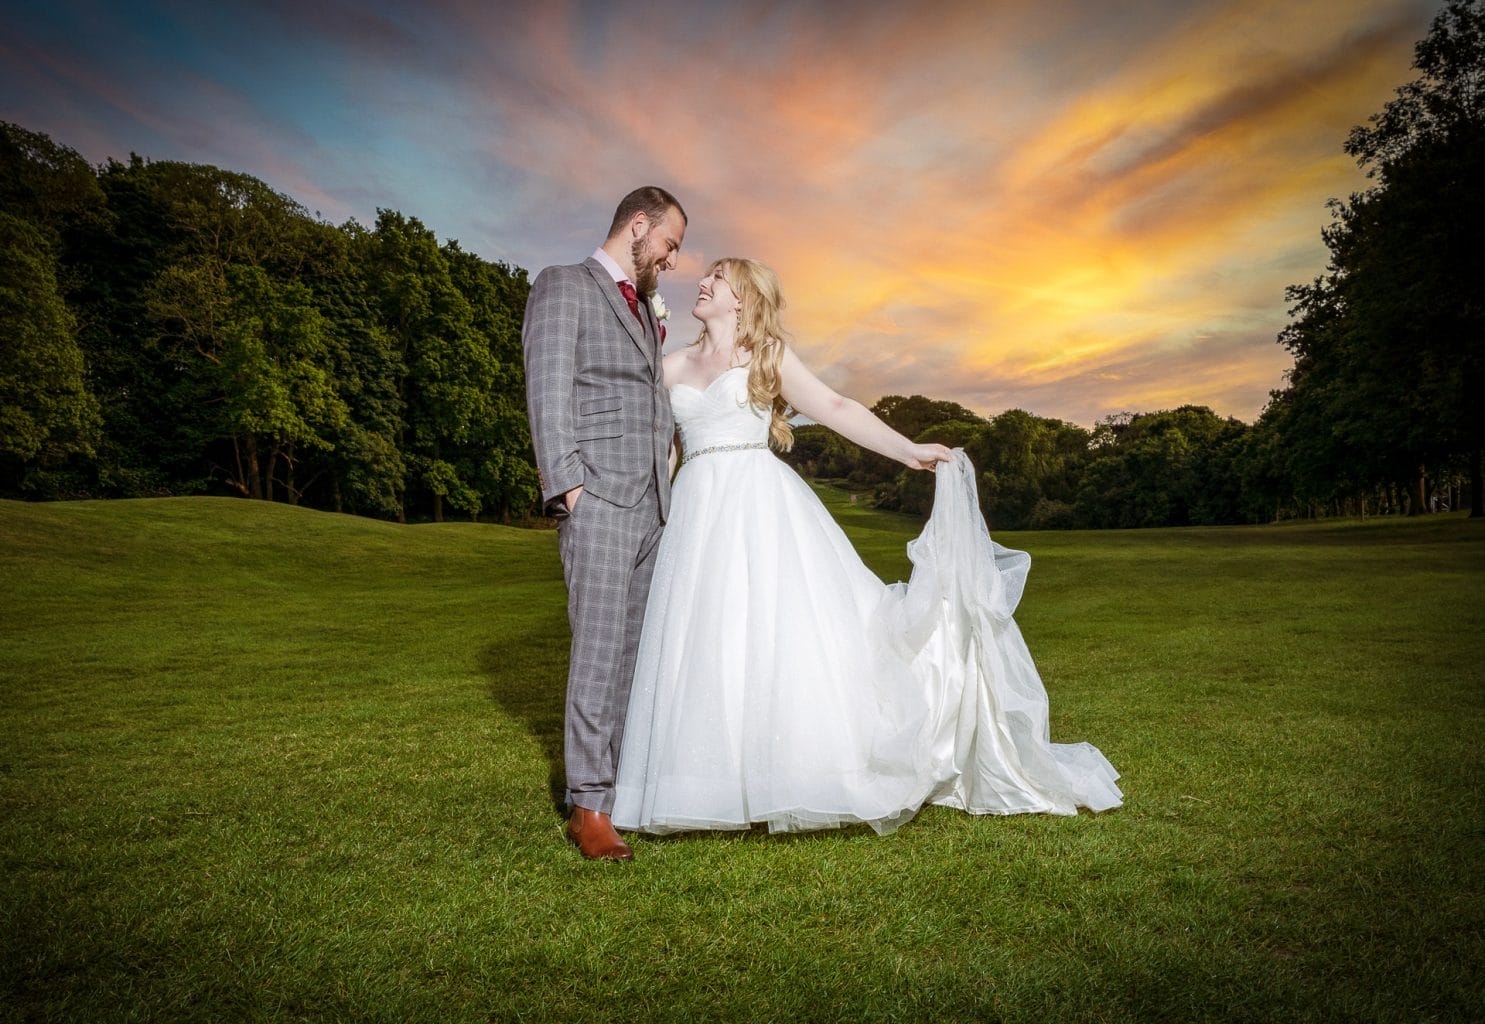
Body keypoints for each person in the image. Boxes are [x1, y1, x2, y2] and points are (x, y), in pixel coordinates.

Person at [611, 258, 1122, 836]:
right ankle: (702, 783)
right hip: (696, 511)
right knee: (701, 637)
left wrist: (908, 449)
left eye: (718, 277)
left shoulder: (768, 358)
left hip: (760, 507)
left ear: (743, 298)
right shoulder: (670, 363)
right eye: (705, 276)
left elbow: (835, 408)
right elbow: (664, 451)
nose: (702, 282)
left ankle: (791, 775)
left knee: (776, 638)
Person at [522, 186, 686, 860]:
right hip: (598, 502)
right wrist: (568, 490)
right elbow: (547, 386)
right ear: (638, 225)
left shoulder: (645, 310)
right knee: (595, 653)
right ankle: (588, 809)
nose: (671, 258)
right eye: (669, 243)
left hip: (651, 505)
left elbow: (650, 398)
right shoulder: (563, 286)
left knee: (628, 656)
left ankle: (615, 791)